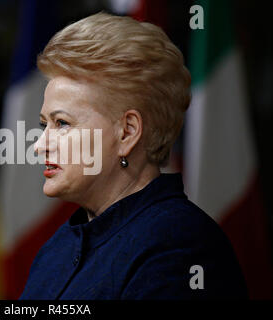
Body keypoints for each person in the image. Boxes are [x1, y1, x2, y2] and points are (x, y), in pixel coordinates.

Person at [19, 12, 247, 300]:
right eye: (44, 125)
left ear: (127, 132)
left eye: (62, 123)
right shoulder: (55, 250)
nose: (40, 145)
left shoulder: (182, 248)